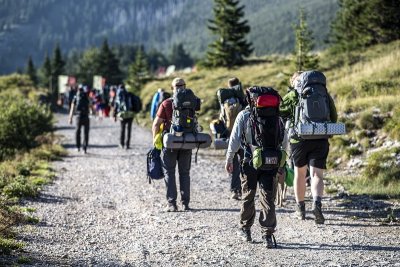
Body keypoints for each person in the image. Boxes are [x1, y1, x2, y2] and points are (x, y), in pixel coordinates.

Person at [225, 86, 282, 248]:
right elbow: (283, 140)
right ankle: (267, 234)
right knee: (267, 197)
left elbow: (235, 140)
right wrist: (284, 162)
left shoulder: (244, 115)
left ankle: (246, 229)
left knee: (248, 195)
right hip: (271, 161)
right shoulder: (276, 116)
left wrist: (229, 159)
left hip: (249, 161)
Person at [279, 71, 338, 224]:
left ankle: (300, 209)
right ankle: (317, 204)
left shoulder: (293, 95)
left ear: (296, 82)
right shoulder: (323, 93)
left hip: (299, 139)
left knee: (300, 173)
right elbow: (334, 116)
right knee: (317, 174)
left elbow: (280, 112)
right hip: (320, 137)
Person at [152, 77, 195, 212]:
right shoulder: (192, 101)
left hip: (170, 142)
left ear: (172, 88)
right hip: (187, 141)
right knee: (185, 173)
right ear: (185, 86)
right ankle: (186, 203)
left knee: (169, 172)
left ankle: (172, 204)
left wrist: (156, 142)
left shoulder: (166, 103)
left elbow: (156, 124)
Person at [224, 77, 244, 200]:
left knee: (233, 162)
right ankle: (244, 187)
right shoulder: (242, 98)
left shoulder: (225, 100)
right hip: (243, 136)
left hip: (230, 133)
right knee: (244, 161)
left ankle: (235, 190)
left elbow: (223, 116)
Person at [68, 84, 91, 153]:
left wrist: (70, 118)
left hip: (78, 116)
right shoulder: (86, 96)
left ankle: (78, 147)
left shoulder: (75, 97)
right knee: (86, 133)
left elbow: (72, 108)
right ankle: (85, 148)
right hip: (86, 116)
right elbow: (90, 105)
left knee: (78, 132)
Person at [113, 84, 135, 150]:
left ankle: (121, 144)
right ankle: (127, 145)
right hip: (130, 114)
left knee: (122, 129)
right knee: (129, 129)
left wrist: (114, 116)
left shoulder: (118, 95)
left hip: (122, 115)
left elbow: (116, 106)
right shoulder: (129, 94)